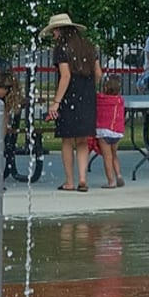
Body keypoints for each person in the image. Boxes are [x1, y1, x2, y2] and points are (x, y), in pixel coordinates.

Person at [44, 13, 101, 192]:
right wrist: (89, 88)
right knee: (83, 140)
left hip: (69, 99)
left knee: (67, 140)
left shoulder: (62, 49)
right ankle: (83, 179)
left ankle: (69, 181)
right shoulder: (89, 47)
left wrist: (56, 102)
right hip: (87, 98)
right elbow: (98, 73)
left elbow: (66, 76)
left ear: (60, 30)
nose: (53, 35)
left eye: (54, 31)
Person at [92, 73, 127, 189]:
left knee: (107, 157)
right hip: (117, 131)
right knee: (114, 155)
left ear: (105, 87)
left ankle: (111, 181)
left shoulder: (100, 99)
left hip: (104, 131)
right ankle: (119, 174)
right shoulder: (120, 100)